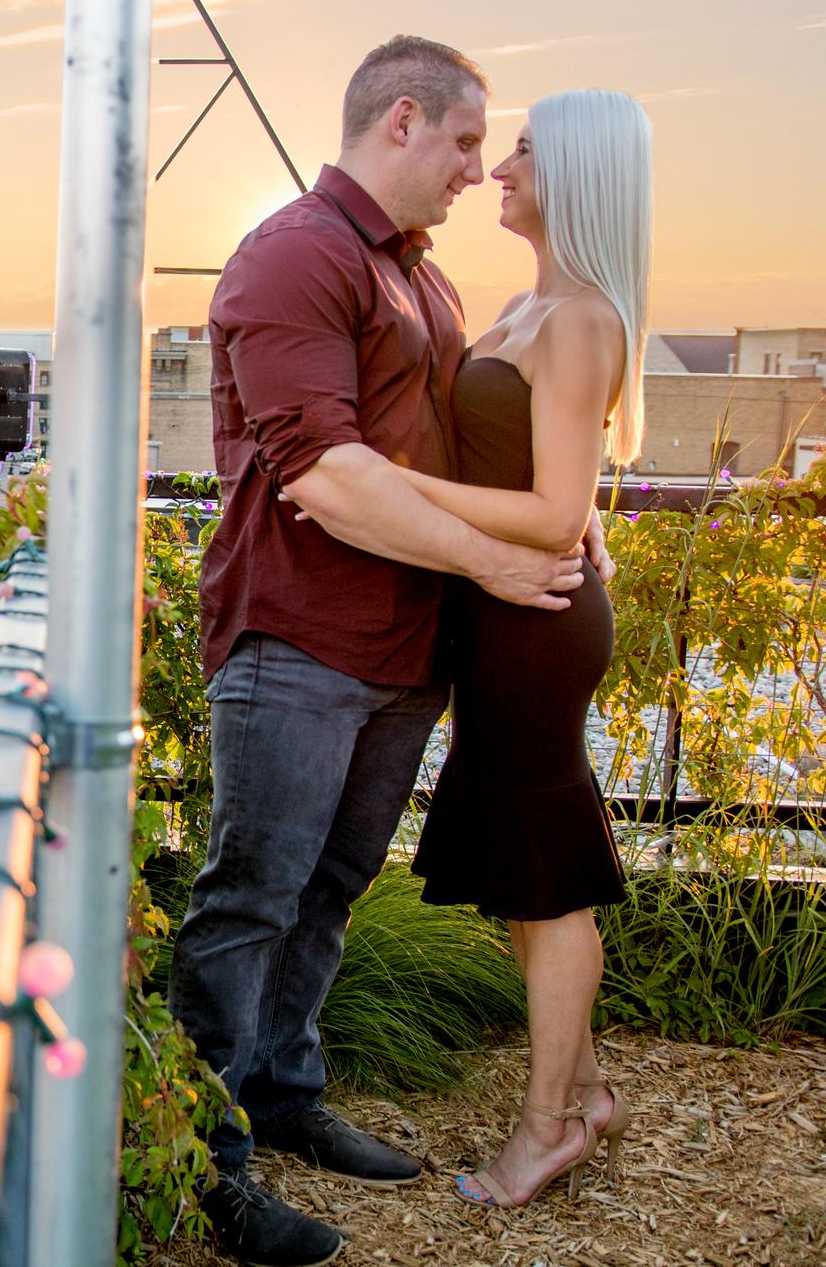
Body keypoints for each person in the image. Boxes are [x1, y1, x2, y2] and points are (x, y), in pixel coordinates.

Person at [169, 35, 608, 1267]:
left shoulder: (422, 279)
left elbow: (458, 467)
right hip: (297, 637)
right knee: (249, 897)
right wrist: (493, 562)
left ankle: (284, 1095)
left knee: (327, 889)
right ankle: (205, 1160)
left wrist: (570, 526)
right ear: (402, 121)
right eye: (467, 141)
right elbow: (323, 477)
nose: (478, 168)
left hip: (404, 647)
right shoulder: (292, 256)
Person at [376, 89, 649, 1208]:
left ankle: (544, 1129)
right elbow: (541, 490)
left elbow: (549, 511)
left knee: (544, 885)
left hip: (534, 619)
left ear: (575, 175)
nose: (498, 169)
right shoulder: (528, 306)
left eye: (522, 153)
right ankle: (580, 1090)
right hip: (499, 615)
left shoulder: (580, 319)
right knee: (519, 874)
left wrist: (382, 483)